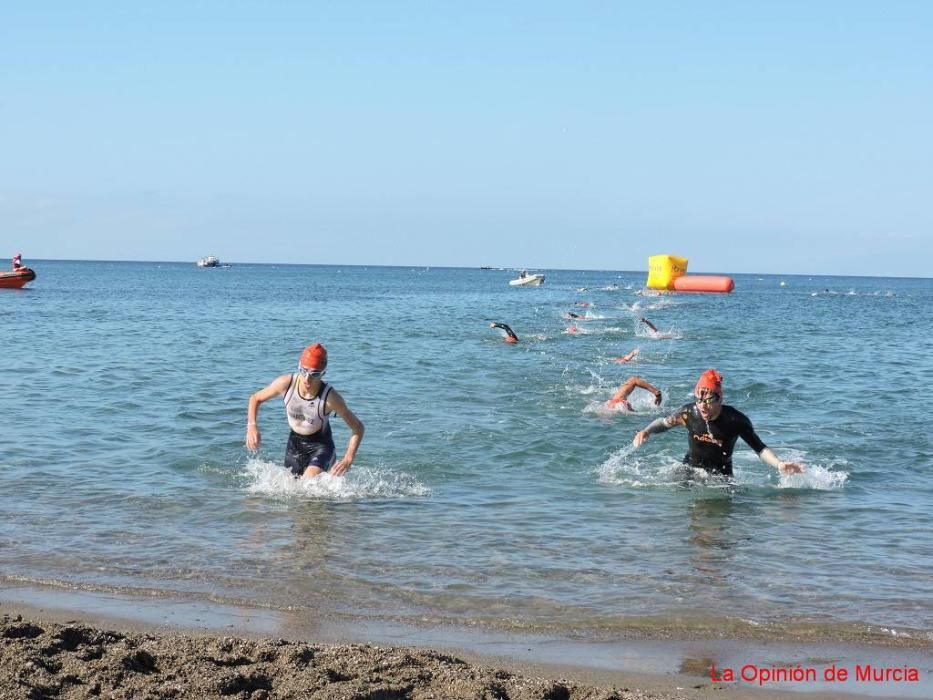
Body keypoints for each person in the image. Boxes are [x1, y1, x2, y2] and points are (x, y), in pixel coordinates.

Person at [632, 369, 804, 477]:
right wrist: (646, 431)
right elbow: (664, 423)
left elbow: (760, 448)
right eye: (699, 400)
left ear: (720, 399)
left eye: (708, 401)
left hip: (720, 477)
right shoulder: (688, 412)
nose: (703, 406)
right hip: (689, 469)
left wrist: (779, 464)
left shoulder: (736, 420)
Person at [246, 343, 364, 479]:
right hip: (294, 444)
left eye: (314, 374)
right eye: (303, 371)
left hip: (321, 446)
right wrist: (252, 426)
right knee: (291, 491)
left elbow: (358, 428)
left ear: (323, 374)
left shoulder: (331, 398)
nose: (307, 379)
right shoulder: (286, 384)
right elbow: (255, 398)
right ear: (298, 367)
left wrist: (348, 459)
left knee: (307, 483)